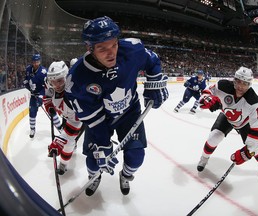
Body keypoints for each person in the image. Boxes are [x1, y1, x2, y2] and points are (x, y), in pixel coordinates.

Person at [65, 16, 169, 196]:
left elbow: (151, 60)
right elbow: (93, 118)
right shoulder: (77, 79)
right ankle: (94, 176)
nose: (111, 52)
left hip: (130, 113)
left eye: (113, 44)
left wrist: (154, 85)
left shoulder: (131, 50)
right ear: (90, 48)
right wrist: (103, 144)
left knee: (136, 157)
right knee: (94, 160)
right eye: (102, 48)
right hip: (101, 120)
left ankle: (126, 176)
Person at [197, 66, 258, 179]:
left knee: (254, 148)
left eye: (245, 83)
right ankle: (204, 158)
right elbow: (206, 93)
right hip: (226, 117)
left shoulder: (254, 101)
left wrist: (247, 152)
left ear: (249, 84)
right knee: (213, 138)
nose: (241, 86)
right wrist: (206, 98)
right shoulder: (222, 85)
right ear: (234, 79)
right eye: (239, 81)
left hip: (244, 124)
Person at [44, 61, 83, 175]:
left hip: (82, 117)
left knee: (69, 142)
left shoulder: (75, 93)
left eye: (60, 81)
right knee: (68, 140)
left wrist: (61, 140)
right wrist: (49, 106)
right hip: (67, 114)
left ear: (67, 77)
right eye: (53, 82)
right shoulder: (48, 82)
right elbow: (47, 97)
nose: (56, 85)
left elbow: (76, 122)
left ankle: (64, 164)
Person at [23, 54, 47, 138]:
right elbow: (26, 78)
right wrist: (26, 83)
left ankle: (59, 127)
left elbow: (46, 86)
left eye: (37, 62)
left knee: (52, 111)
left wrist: (41, 97)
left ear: (39, 61)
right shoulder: (28, 69)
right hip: (33, 96)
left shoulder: (44, 72)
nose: (36, 64)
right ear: (32, 62)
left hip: (44, 95)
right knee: (32, 112)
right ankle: (32, 129)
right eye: (34, 62)